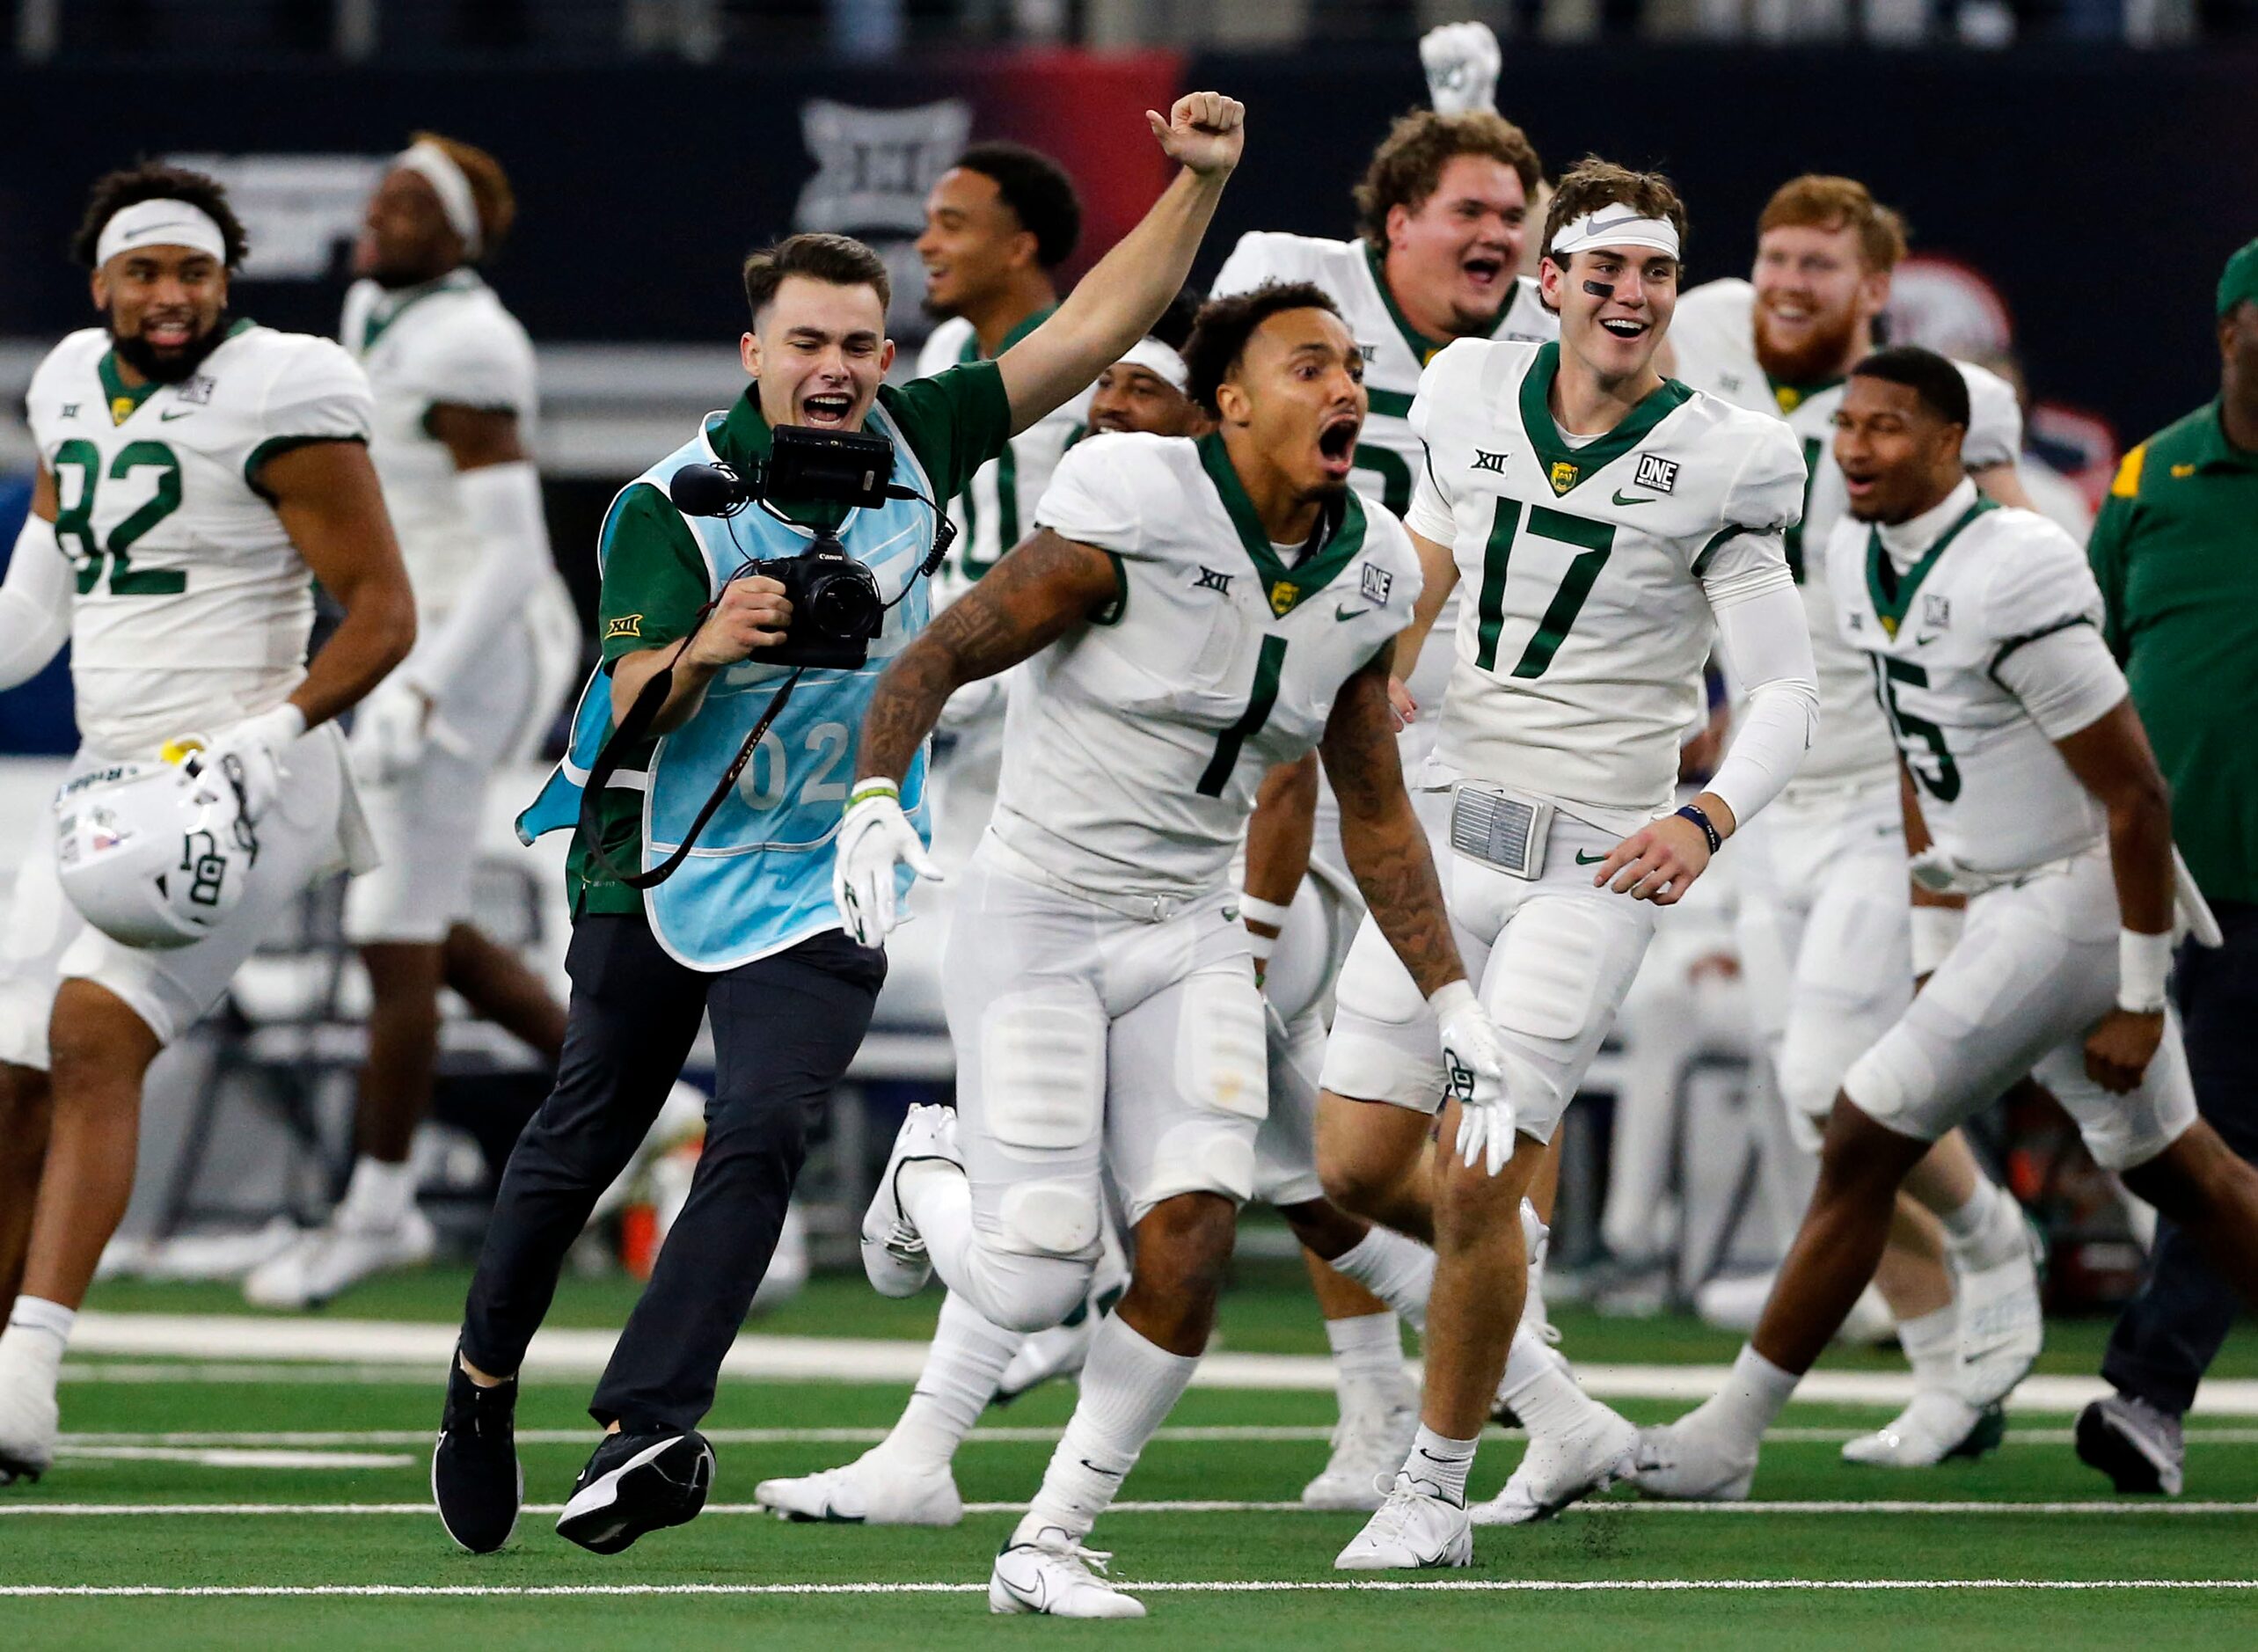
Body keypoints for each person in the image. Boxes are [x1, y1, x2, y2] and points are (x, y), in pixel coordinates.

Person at [424, 91, 1250, 1561]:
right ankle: (480, 1388)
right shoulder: (668, 504)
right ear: (754, 353)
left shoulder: (924, 433)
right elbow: (619, 721)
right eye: (806, 343)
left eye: (860, 344)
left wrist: (1195, 187)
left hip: (826, 861)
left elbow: (1091, 326)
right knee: (574, 1147)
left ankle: (648, 1423)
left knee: (761, 1127)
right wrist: (703, 652)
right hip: (658, 860)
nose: (836, 370)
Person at [833, 281, 1512, 1619]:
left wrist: (1454, 1000)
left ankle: (1050, 1538)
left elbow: (1371, 809)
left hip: (1184, 928)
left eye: (1352, 365)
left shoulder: (1368, 565)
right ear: (1231, 400)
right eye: (1305, 363)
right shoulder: (1131, 501)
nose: (1342, 387)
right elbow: (936, 656)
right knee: (1031, 1278)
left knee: (1192, 1234)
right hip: (1036, 913)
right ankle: (927, 1172)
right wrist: (872, 793)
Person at [1629, 347, 2258, 1503]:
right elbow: (1913, 749)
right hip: (1996, 898)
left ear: (1950, 443)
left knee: (1863, 1129)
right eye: (1848, 426)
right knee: (2192, 1178)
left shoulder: (2016, 567)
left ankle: (1725, 1435)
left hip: (2070, 900)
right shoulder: (1855, 549)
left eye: (1887, 427)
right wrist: (1931, 945)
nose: (1856, 448)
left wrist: (2129, 986)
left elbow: (2133, 795)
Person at [1319, 159, 1818, 1565]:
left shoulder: (1725, 454)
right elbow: (1431, 552)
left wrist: (1703, 818)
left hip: (1590, 861)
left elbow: (1783, 687)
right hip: (1439, 827)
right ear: (1548, 280)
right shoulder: (1469, 388)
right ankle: (1546, 1379)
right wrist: (1389, 665)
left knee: (1476, 1175)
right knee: (1354, 1167)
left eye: (1654, 271)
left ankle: (1430, 1486)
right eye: (1601, 266)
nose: (1629, 292)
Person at [0, 164, 414, 1481]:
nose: (169, 295)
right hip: (107, 774)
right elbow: (35, 610)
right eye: (144, 271)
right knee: (9, 1075)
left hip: (245, 773)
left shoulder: (284, 390)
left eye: (193, 270)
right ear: (100, 283)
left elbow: (384, 611)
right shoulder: (67, 378)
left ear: (228, 276)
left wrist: (265, 734)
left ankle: (29, 1371)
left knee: (89, 1035)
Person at [1209, 41, 1581, 1499]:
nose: (1499, 236)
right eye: (1469, 210)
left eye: (1519, 215)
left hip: (1473, 754)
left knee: (1485, 1087)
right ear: (1389, 230)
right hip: (1293, 753)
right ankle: (1398, 1390)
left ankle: (1488, 1355)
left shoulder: (1551, 360)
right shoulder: (1298, 290)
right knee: (1293, 1097)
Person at [1665, 174, 2046, 1467]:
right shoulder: (1698, 327)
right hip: (1766, 779)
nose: (1786, 281)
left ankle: (1995, 1235)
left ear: (1873, 286)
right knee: (1811, 1107)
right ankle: (1950, 1370)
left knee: (1832, 1088)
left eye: (1819, 265)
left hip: (1885, 781)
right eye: (1774, 254)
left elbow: (2018, 559)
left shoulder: (1941, 400)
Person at [245, 133, 578, 1312]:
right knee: (417, 923)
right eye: (374, 195)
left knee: (393, 929)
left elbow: (513, 556)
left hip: (476, 645)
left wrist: (425, 685)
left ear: (459, 232)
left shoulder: (470, 338)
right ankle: (656, 1108)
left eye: (402, 203)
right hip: (411, 637)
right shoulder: (377, 308)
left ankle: (377, 1207)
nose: (374, 218)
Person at [2077, 239, 2258, 1495]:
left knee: (2224, 1127)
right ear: (2228, 332)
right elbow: (2084, 663)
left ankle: (2148, 1388)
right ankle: (2147, 1388)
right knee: (2203, 1138)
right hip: (2182, 887)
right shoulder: (2150, 474)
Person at [913, 142, 1088, 871]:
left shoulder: (1090, 359)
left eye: (952, 224)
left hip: (1055, 666)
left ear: (1020, 247)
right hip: (955, 634)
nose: (927, 243)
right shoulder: (946, 344)